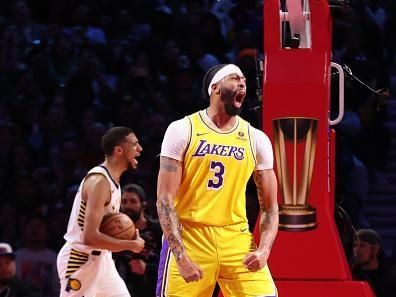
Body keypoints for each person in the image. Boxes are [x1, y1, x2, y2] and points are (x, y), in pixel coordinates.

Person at [156, 64, 279, 297]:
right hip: (191, 236)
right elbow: (164, 200)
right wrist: (180, 256)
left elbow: (271, 208)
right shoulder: (183, 129)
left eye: (244, 79)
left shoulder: (257, 139)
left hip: (236, 238)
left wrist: (264, 250)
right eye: (234, 78)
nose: (243, 83)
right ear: (215, 87)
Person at [57, 126, 145, 297]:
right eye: (135, 144)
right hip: (80, 260)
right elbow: (89, 237)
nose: (140, 149)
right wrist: (130, 245)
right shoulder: (99, 182)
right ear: (119, 150)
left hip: (103, 260)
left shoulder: (113, 181)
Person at [115, 183, 162, 297]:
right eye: (124, 202)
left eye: (133, 201)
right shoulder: (115, 231)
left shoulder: (158, 230)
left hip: (152, 289)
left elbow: (169, 265)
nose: (128, 206)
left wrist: (147, 268)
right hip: (122, 289)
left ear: (143, 205)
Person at [350, 228, 396, 297]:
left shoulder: (391, 275)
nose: (356, 250)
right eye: (355, 245)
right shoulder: (352, 274)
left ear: (375, 249)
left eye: (362, 245)